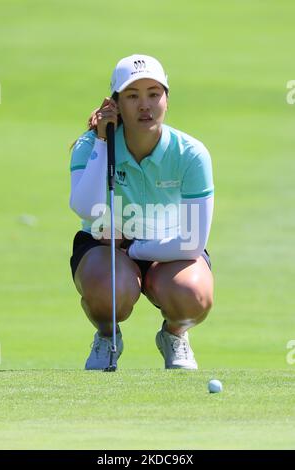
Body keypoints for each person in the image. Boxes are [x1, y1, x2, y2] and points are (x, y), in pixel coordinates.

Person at [69, 54, 214, 370]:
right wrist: (102, 141)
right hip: (106, 246)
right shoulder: (91, 144)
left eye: (153, 94)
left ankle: (174, 336)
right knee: (108, 291)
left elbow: (192, 242)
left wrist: (136, 246)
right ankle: (108, 335)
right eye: (132, 96)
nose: (144, 105)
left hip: (171, 246)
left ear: (167, 99)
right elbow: (85, 208)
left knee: (194, 294)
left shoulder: (191, 154)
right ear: (116, 103)